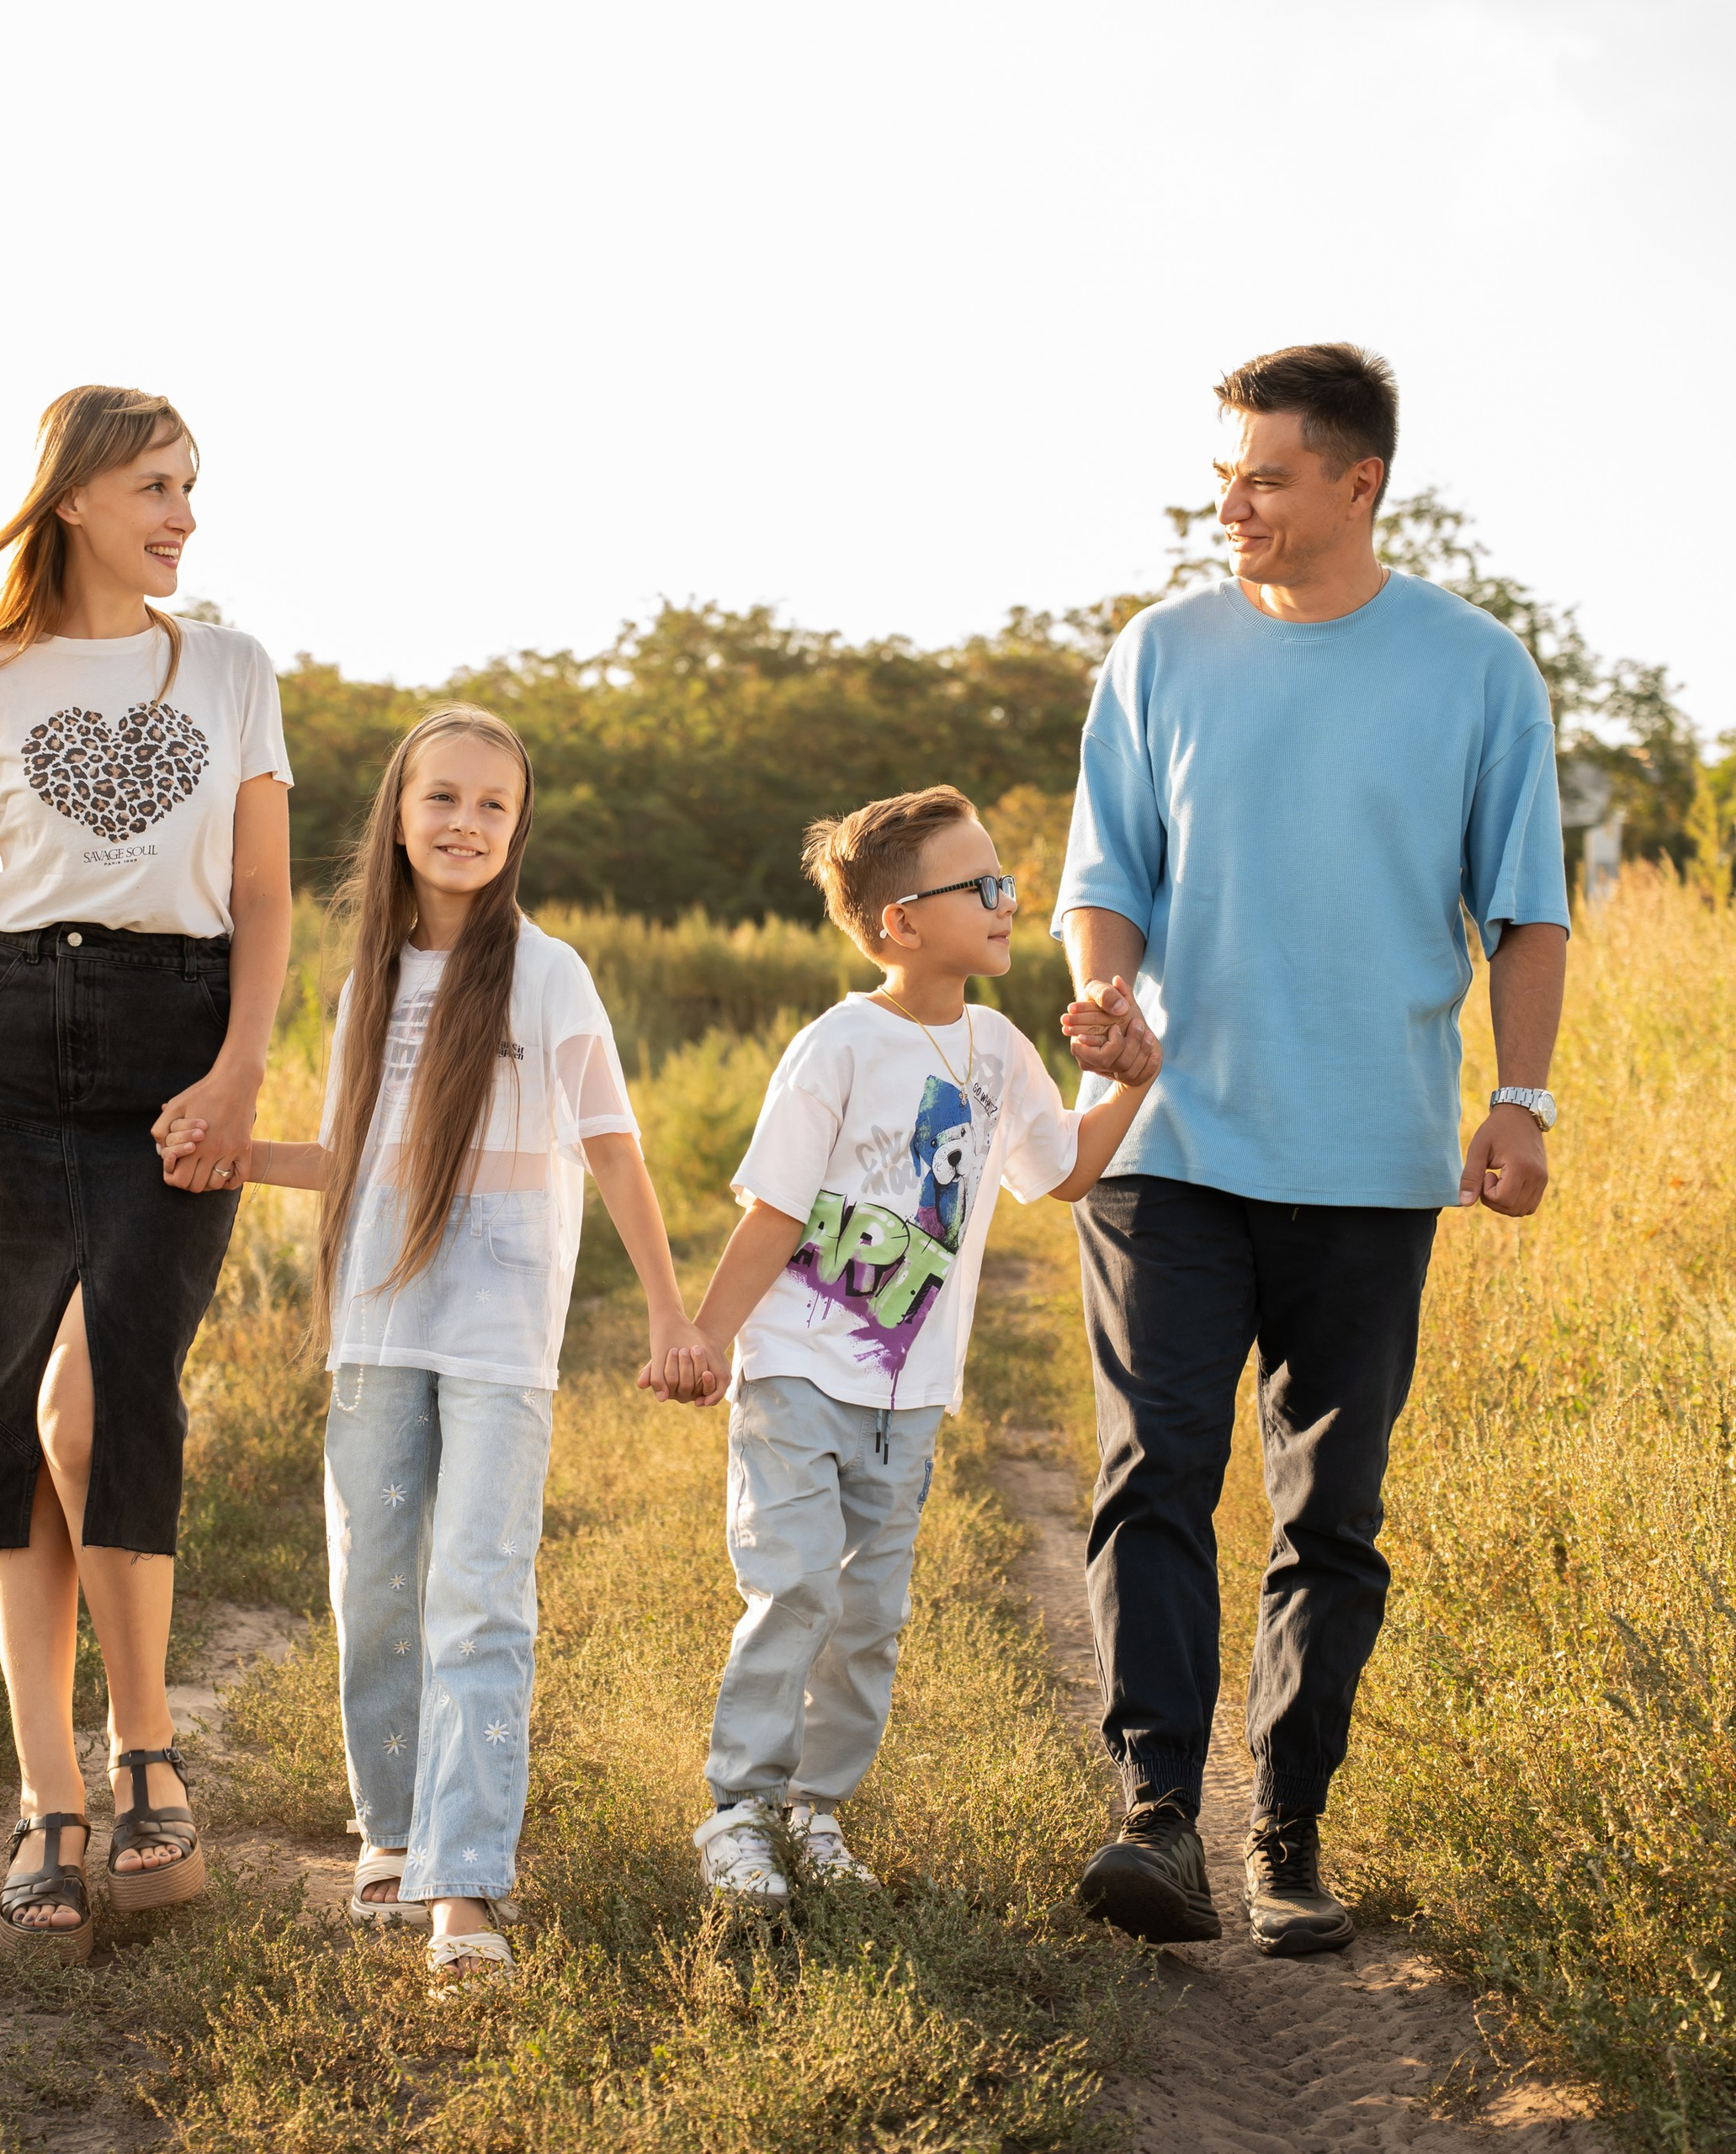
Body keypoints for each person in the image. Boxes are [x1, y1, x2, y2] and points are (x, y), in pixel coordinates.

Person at [1056, 342, 1569, 1957]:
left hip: (1371, 1154)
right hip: (1174, 1143)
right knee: (1158, 1474)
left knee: (1329, 1512)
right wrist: (1104, 996)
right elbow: (1104, 874)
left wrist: (1525, 1099)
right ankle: (1156, 1819)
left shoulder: (1476, 670)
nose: (1234, 502)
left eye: (1269, 474)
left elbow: (1526, 910)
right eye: (1227, 471)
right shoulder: (1160, 653)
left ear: (1360, 483)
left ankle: (1286, 1830)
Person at [161, 703, 719, 1995]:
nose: (464, 823)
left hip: (501, 1336)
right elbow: (362, 1159)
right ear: (399, 816)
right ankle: (391, 1829)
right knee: (373, 1587)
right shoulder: (367, 980)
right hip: (376, 1325)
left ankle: (463, 1885)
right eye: (442, 799)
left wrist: (670, 1311)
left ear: (517, 832)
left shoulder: (548, 971)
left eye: (491, 806)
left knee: (477, 1594)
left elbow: (614, 1146)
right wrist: (231, 1157)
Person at [0, 386, 293, 1964]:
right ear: (83, 497)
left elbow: (259, 895)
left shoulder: (232, 669)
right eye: (160, 488)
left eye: (191, 488)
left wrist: (239, 1071)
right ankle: (49, 1800)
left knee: (103, 1405)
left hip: (179, 1045)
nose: (183, 516)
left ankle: (147, 1750)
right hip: (16, 1051)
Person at [682, 785, 1161, 1904]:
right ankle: (740, 1813)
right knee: (794, 1588)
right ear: (901, 921)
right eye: (982, 887)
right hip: (798, 1368)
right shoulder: (837, 1045)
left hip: (908, 1397)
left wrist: (1131, 1080)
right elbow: (775, 1212)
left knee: (870, 1618)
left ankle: (816, 1813)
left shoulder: (996, 1049)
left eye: (1007, 884)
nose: (1008, 903)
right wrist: (705, 1337)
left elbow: (1060, 1173)